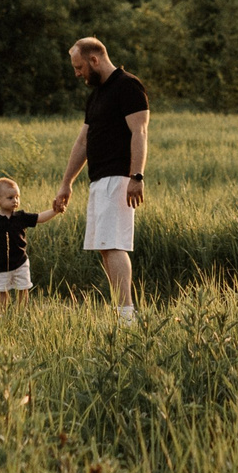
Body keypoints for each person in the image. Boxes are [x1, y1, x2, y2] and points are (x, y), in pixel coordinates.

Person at [51, 36, 149, 324]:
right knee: (105, 248)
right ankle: (121, 312)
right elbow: (83, 141)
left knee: (114, 244)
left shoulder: (128, 86)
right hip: (98, 180)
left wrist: (136, 176)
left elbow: (140, 132)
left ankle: (127, 316)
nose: (77, 73)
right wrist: (66, 183)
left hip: (119, 178)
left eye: (79, 67)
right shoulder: (96, 96)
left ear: (94, 60)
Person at [0, 176, 63, 308]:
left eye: (17, 197)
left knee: (23, 288)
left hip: (20, 262)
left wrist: (55, 211)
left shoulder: (21, 217)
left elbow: (40, 218)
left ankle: (21, 312)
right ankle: (1, 314)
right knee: (1, 292)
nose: (15, 201)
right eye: (10, 198)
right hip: (0, 265)